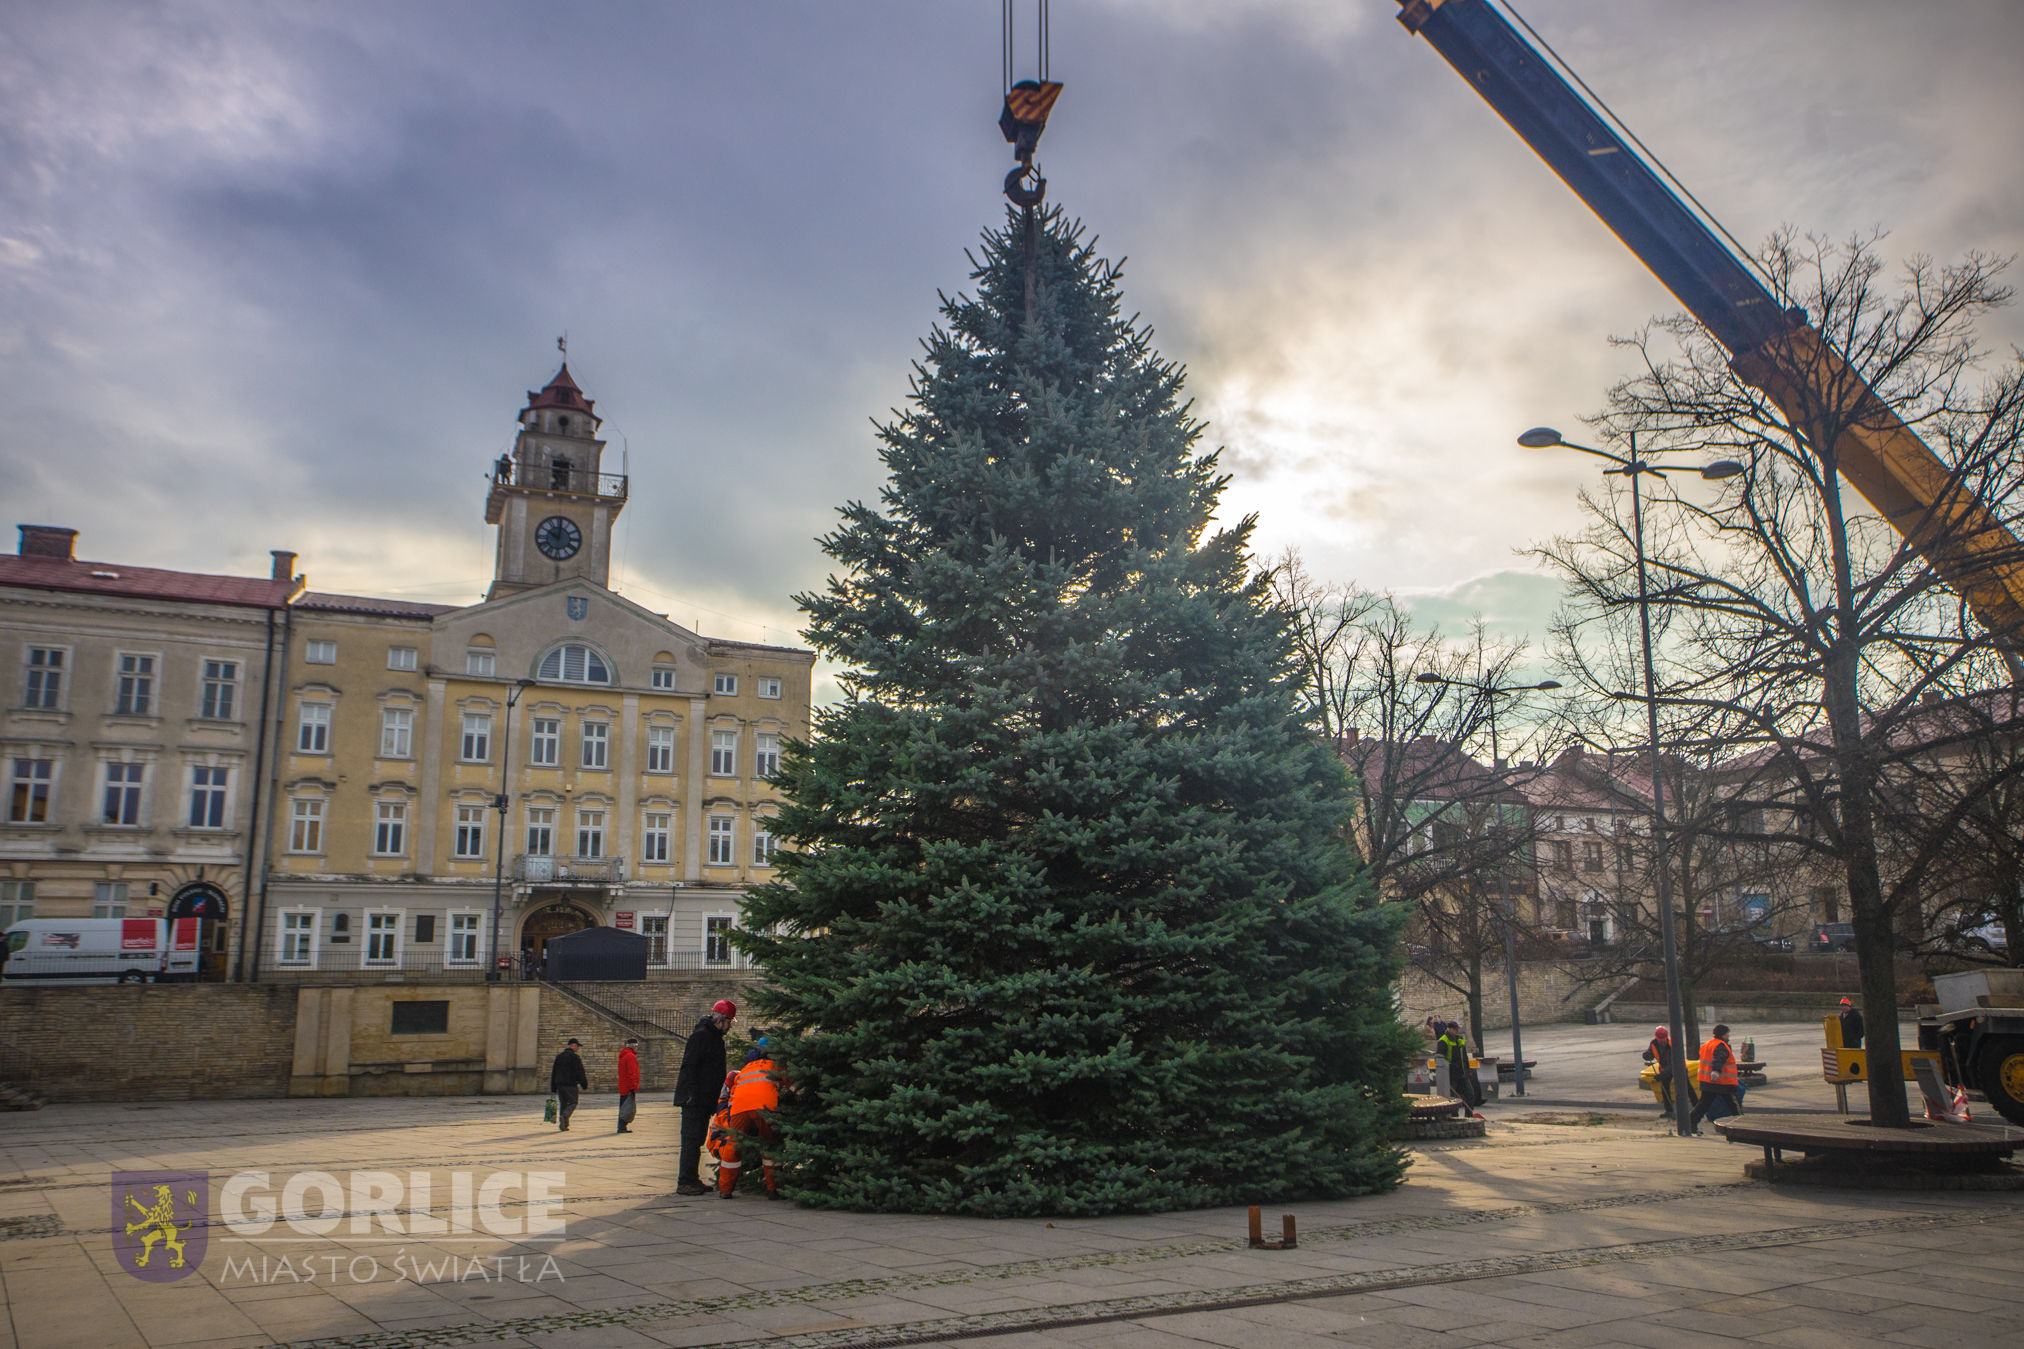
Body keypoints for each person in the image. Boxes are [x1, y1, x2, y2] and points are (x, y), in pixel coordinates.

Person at [672, 999, 736, 1195]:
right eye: (729, 1022)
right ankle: (685, 1182)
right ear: (720, 1020)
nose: (730, 1026)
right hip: (694, 1099)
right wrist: (691, 1094)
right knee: (691, 1140)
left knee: (697, 1139)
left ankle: (692, 1179)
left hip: (704, 1099)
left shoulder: (713, 1036)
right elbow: (689, 1066)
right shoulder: (701, 1036)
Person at [725, 1034, 786, 1200]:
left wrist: (732, 1118)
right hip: (766, 1107)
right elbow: (792, 1083)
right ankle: (774, 1189)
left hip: (739, 1108)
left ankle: (726, 1190)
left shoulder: (745, 1068)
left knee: (733, 1147)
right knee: (770, 1144)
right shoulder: (776, 1064)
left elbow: (733, 1094)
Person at [1688, 1024, 1741, 1132]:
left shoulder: (1706, 1045)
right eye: (1727, 1033)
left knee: (1703, 1104)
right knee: (1734, 1105)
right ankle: (1742, 1126)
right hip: (1723, 1082)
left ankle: (1691, 1123)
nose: (1728, 1035)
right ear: (1723, 1034)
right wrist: (1716, 1071)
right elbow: (1718, 1059)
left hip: (1706, 1081)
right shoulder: (1721, 1046)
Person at [1642, 1025, 1691, 1117]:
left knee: (1688, 1088)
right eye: (1660, 1040)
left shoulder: (1672, 1045)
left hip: (1679, 1068)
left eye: (1664, 1040)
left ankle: (1695, 1107)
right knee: (1664, 1089)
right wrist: (1647, 1055)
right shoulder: (1654, 1043)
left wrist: (1662, 1075)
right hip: (1664, 1068)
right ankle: (1669, 1110)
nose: (1662, 1042)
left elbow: (1672, 1064)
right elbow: (1651, 1052)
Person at [1436, 1021, 1482, 1114]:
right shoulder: (1443, 1041)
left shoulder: (1460, 1039)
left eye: (1457, 1029)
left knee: (1470, 1095)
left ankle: (1469, 1116)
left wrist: (1468, 1070)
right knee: (1453, 1099)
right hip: (1451, 1074)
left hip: (1462, 1073)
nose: (1457, 1031)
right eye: (1455, 1029)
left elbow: (1464, 1057)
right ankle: (1454, 1117)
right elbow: (1439, 1059)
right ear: (1449, 1029)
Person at [550, 1037, 588, 1132]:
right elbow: (579, 1072)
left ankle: (564, 1124)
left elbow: (554, 1072)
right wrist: (584, 1084)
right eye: (577, 1046)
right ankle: (565, 1116)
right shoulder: (575, 1057)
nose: (578, 1048)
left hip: (559, 1084)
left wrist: (553, 1088)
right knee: (573, 1102)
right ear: (572, 1045)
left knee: (563, 1103)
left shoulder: (559, 1056)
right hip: (570, 1084)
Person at [615, 1036, 641, 1134]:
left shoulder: (623, 1056)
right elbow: (632, 1073)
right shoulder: (630, 1056)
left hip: (623, 1085)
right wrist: (633, 1086)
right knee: (627, 1107)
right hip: (628, 1086)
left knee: (623, 1106)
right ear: (634, 1046)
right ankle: (622, 1126)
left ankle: (621, 1126)